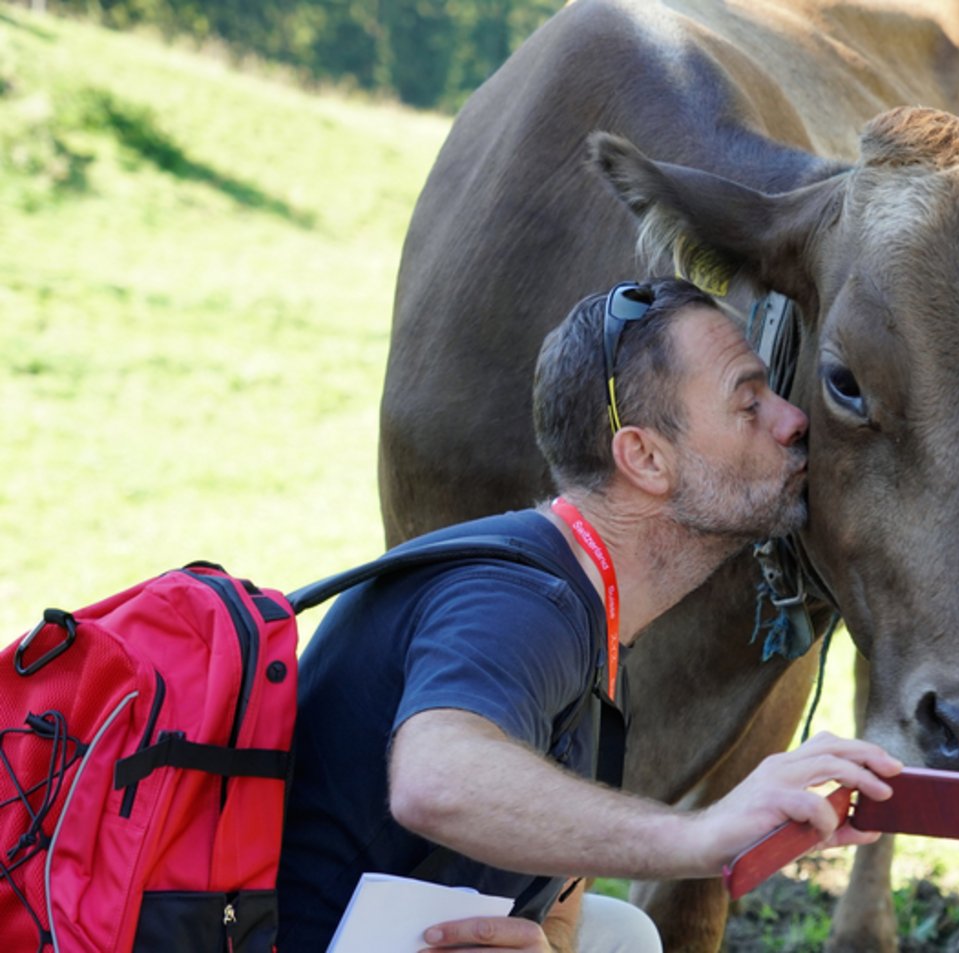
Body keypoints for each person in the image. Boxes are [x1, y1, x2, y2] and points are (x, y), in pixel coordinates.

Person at [276, 279, 902, 952]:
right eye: (750, 402)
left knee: (622, 932)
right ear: (646, 458)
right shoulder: (518, 601)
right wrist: (703, 833)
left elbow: (560, 899)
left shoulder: (595, 619)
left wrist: (543, 942)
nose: (793, 417)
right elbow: (434, 779)